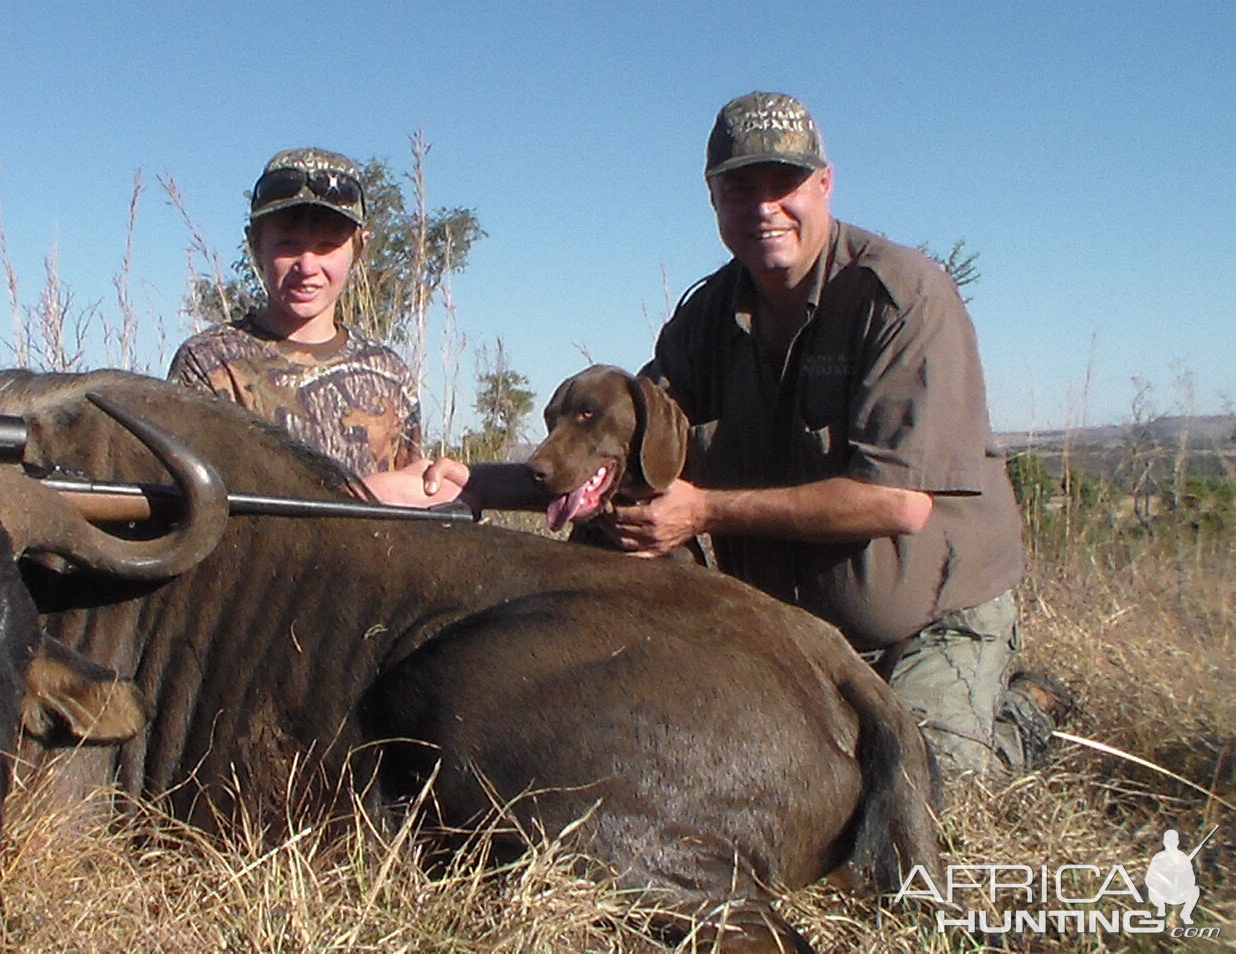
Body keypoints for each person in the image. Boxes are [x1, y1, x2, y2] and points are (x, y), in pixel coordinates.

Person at [428, 92, 1049, 776]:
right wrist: (474, 482)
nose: (763, 208)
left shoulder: (901, 297)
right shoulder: (706, 319)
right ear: (713, 196)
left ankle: (1025, 714)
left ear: (824, 183)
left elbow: (896, 503)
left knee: (920, 788)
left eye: (784, 185)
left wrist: (702, 510)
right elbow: (616, 447)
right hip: (791, 629)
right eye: (739, 188)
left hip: (929, 621)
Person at [169, 148, 456, 505]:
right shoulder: (210, 362)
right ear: (255, 243)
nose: (307, 266)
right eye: (287, 245)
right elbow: (196, 501)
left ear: (359, 247)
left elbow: (411, 497)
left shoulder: (388, 371)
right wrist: (363, 495)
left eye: (326, 246)